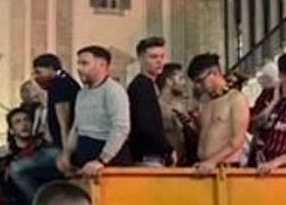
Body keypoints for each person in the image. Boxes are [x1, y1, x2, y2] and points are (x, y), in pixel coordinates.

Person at [10, 54, 80, 202]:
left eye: (38, 72)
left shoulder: (60, 86)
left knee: (17, 169)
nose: (36, 77)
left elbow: (64, 124)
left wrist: (65, 155)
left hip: (62, 149)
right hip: (61, 147)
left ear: (50, 69)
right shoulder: (64, 83)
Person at [57, 46, 130, 177]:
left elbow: (121, 128)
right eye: (78, 63)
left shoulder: (114, 91)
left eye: (84, 63)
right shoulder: (82, 93)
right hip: (84, 154)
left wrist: (102, 160)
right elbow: (77, 127)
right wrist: (66, 153)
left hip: (108, 158)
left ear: (102, 65)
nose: (79, 68)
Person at [187, 54, 249, 174]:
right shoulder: (204, 101)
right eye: (195, 82)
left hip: (226, 167)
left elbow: (237, 140)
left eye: (201, 80)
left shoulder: (236, 99)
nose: (198, 86)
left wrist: (212, 161)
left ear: (214, 73)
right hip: (203, 166)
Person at [126, 36, 172, 165]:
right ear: (141, 58)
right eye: (153, 57)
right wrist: (167, 149)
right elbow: (146, 125)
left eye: (162, 57)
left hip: (151, 156)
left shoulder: (150, 85)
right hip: (148, 157)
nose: (159, 61)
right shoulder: (141, 86)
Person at [157, 63, 196, 166]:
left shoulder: (184, 107)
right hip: (165, 162)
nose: (185, 83)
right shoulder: (157, 107)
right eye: (181, 78)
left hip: (185, 162)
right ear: (169, 81)